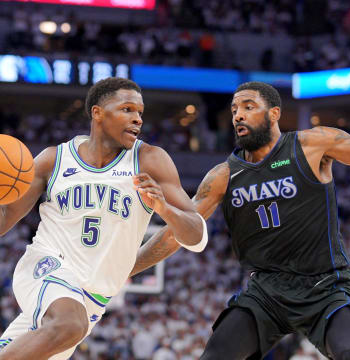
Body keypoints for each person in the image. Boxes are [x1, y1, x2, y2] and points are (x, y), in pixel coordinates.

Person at [131, 81, 350, 360]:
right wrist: (128, 268)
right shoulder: (223, 176)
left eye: (248, 107)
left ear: (274, 113)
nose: (238, 114)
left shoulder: (311, 144)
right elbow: (175, 233)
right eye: (234, 109)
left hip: (324, 287)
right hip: (266, 293)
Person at [0, 77, 208, 360]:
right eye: (127, 109)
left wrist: (165, 209)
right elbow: (5, 218)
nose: (137, 119)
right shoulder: (54, 160)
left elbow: (197, 235)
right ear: (97, 113)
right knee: (70, 324)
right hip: (46, 267)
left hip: (93, 299)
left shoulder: (149, 159)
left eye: (140, 113)